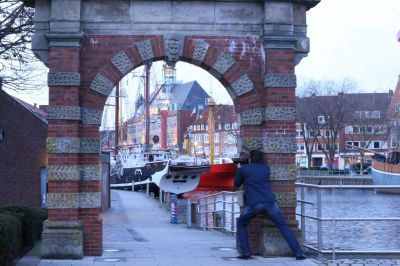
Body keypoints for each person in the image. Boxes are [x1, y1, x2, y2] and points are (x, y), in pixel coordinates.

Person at [234, 150, 306, 260]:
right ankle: (298, 253)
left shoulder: (244, 169)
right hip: (269, 202)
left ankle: (246, 252)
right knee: (283, 227)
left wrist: (240, 169)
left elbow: (236, 184)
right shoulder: (266, 168)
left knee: (241, 223)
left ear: (250, 158)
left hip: (253, 204)